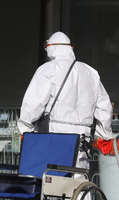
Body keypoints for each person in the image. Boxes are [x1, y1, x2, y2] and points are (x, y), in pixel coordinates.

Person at [17, 31, 114, 169]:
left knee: (54, 180)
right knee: (79, 180)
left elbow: (32, 103)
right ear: (71, 49)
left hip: (56, 135)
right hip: (82, 138)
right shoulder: (90, 72)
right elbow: (104, 107)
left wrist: (25, 129)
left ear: (49, 48)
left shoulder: (48, 69)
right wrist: (104, 135)